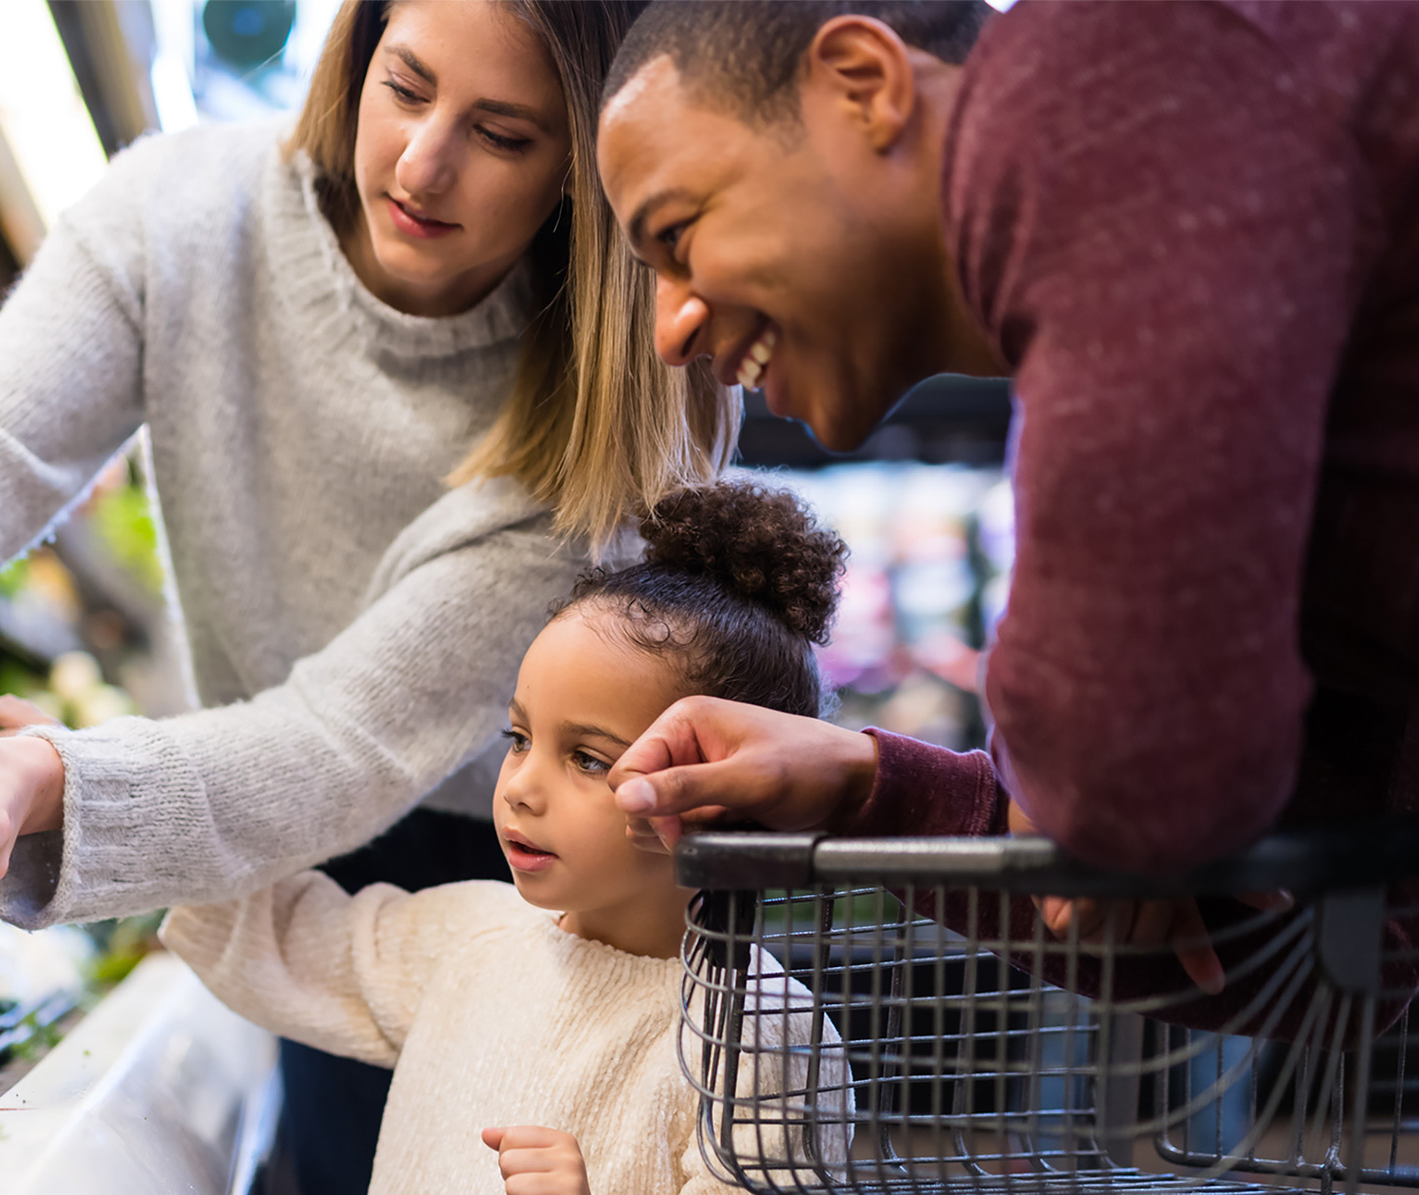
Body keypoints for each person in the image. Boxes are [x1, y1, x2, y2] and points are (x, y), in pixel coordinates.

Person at [0, 3, 732, 1188]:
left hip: (509, 882)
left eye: (504, 133)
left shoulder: (596, 410)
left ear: (581, 164)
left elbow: (340, 739)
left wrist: (57, 779)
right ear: (356, 53)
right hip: (273, 842)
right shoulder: (189, 208)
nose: (425, 163)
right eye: (406, 87)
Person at [589, 0, 1418, 1017]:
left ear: (863, 82)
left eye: (678, 234)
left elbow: (1123, 782)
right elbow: (1301, 942)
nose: (670, 328)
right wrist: (870, 788)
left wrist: (1105, 805)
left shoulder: (1122, 65)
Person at [163, 480, 851, 1195]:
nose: (521, 784)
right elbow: (283, 933)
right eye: (518, 737)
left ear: (718, 793)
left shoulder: (763, 1040)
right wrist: (85, 812)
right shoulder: (469, 938)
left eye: (588, 758)